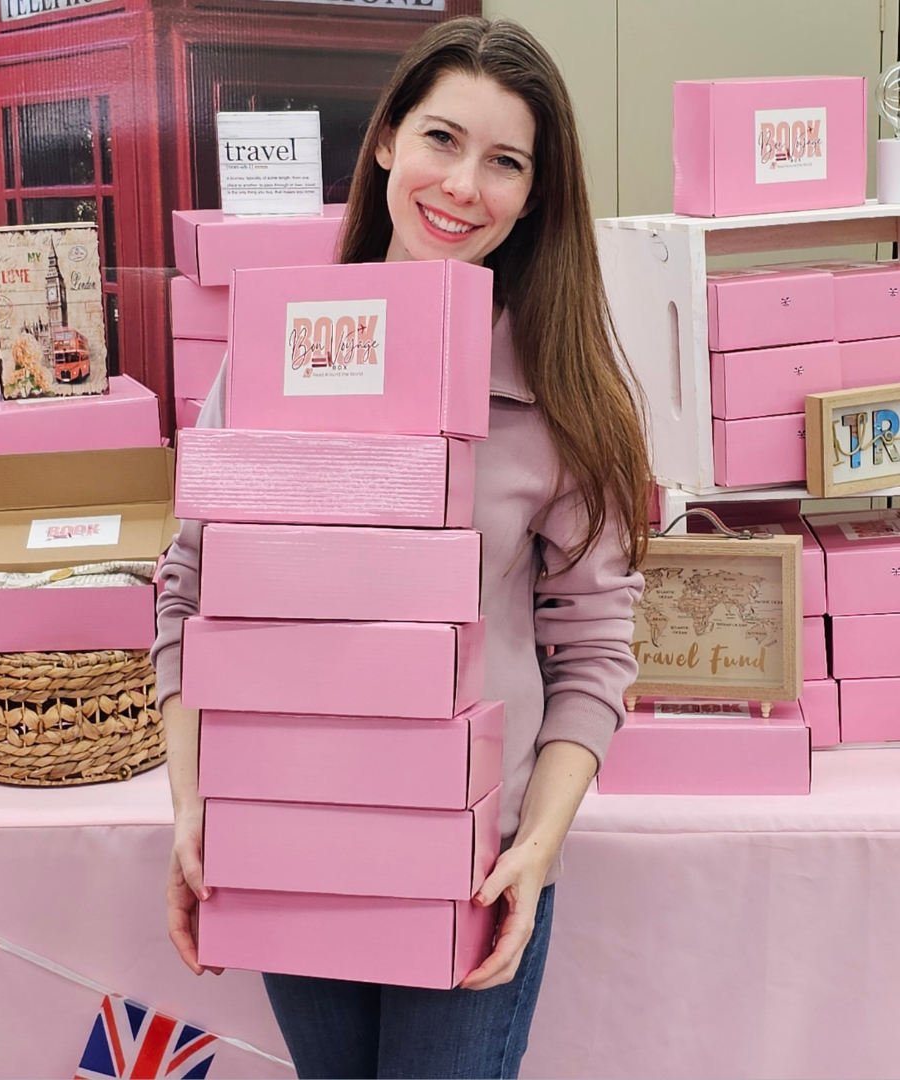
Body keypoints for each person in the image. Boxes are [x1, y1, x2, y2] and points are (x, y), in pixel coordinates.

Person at [152, 15, 651, 1080]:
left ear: (534, 193)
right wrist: (202, 808)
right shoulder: (272, 355)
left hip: (472, 863)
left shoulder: (562, 390)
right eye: (440, 138)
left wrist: (537, 847)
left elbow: (597, 643)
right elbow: (192, 588)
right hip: (292, 837)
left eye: (505, 160)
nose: (463, 184)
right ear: (386, 141)